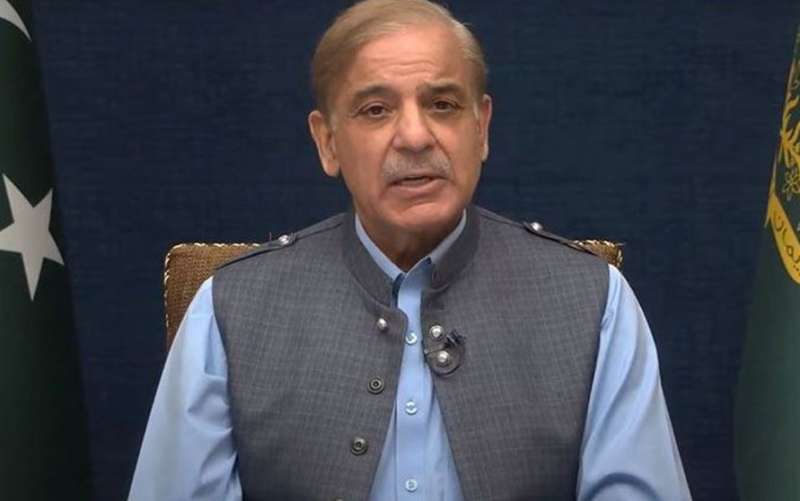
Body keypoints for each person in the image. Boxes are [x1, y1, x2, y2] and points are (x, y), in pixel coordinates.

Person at [129, 1, 692, 499]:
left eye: (442, 104)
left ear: (481, 128)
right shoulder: (229, 308)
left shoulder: (594, 301)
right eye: (376, 110)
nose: (416, 137)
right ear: (327, 142)